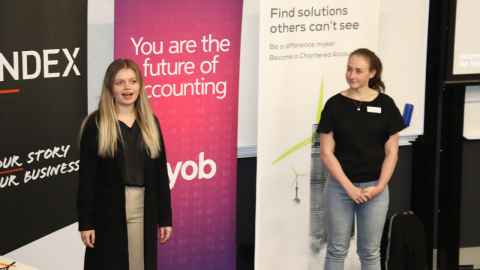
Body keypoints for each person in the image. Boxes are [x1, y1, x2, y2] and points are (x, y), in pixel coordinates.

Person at [77, 58, 172, 270]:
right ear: (110, 87)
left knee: (139, 265)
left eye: (132, 81)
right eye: (120, 82)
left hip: (144, 210)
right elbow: (87, 179)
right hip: (108, 214)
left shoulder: (150, 123)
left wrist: (165, 218)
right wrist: (86, 222)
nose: (127, 87)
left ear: (140, 85)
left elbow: (160, 174)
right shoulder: (96, 125)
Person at [317, 48, 406, 270]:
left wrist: (379, 187)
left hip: (375, 190)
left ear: (372, 73)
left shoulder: (386, 105)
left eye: (358, 70)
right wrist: (348, 188)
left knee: (370, 252)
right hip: (340, 189)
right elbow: (326, 153)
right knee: (337, 250)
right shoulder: (334, 105)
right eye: (349, 69)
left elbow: (392, 153)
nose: (351, 75)